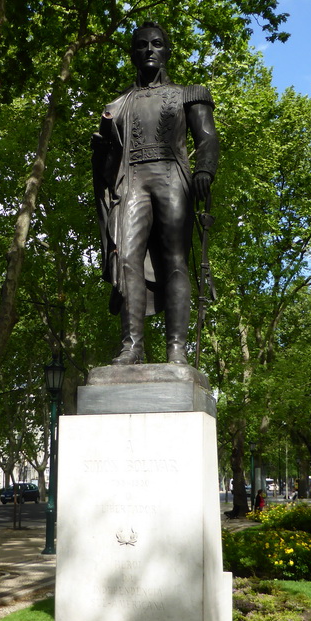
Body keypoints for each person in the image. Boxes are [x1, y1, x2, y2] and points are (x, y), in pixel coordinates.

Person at [91, 22, 220, 365]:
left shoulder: (188, 94)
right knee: (127, 257)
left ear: (167, 50)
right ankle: (131, 346)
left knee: (174, 259)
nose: (149, 49)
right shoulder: (117, 106)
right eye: (142, 44)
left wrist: (205, 168)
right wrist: (101, 150)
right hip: (131, 181)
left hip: (172, 176)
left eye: (157, 43)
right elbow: (106, 165)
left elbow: (207, 138)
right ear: (132, 53)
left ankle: (176, 350)